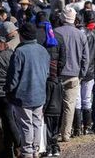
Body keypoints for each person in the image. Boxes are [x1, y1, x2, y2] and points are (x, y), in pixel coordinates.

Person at [5, 23, 50, 158]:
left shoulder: (19, 52)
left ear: (22, 35)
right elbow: (46, 72)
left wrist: (8, 90)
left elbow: (13, 78)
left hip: (22, 95)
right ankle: (36, 150)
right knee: (36, 122)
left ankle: (27, 152)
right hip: (40, 93)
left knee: (25, 124)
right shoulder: (43, 50)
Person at [54, 7, 89, 142]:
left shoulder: (55, 32)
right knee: (69, 106)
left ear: (62, 18)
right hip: (74, 74)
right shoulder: (81, 34)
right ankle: (65, 134)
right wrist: (82, 74)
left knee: (55, 105)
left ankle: (53, 132)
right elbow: (86, 57)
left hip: (57, 74)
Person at [34, 11, 66, 156]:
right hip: (56, 79)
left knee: (43, 113)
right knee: (55, 112)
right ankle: (54, 144)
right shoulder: (58, 37)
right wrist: (57, 74)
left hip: (41, 80)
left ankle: (45, 145)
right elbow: (63, 60)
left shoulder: (35, 36)